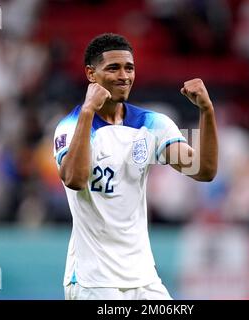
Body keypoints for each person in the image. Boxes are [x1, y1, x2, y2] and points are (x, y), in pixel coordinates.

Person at [53, 33, 218, 300]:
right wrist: (87, 112)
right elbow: (75, 179)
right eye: (113, 68)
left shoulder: (151, 123)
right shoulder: (70, 126)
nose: (124, 76)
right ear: (91, 74)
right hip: (92, 279)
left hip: (143, 278)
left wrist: (207, 111)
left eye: (129, 68)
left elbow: (204, 170)